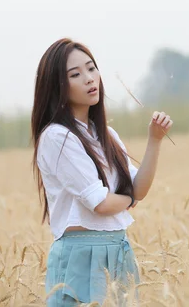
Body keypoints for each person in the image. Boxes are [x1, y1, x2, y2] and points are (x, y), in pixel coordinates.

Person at [30, 38, 173, 306]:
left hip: (119, 250)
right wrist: (130, 200)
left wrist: (155, 140)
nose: (88, 78)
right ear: (57, 85)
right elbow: (101, 203)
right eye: (75, 74)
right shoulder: (57, 137)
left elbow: (138, 187)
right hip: (80, 255)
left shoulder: (106, 135)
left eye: (91, 68)